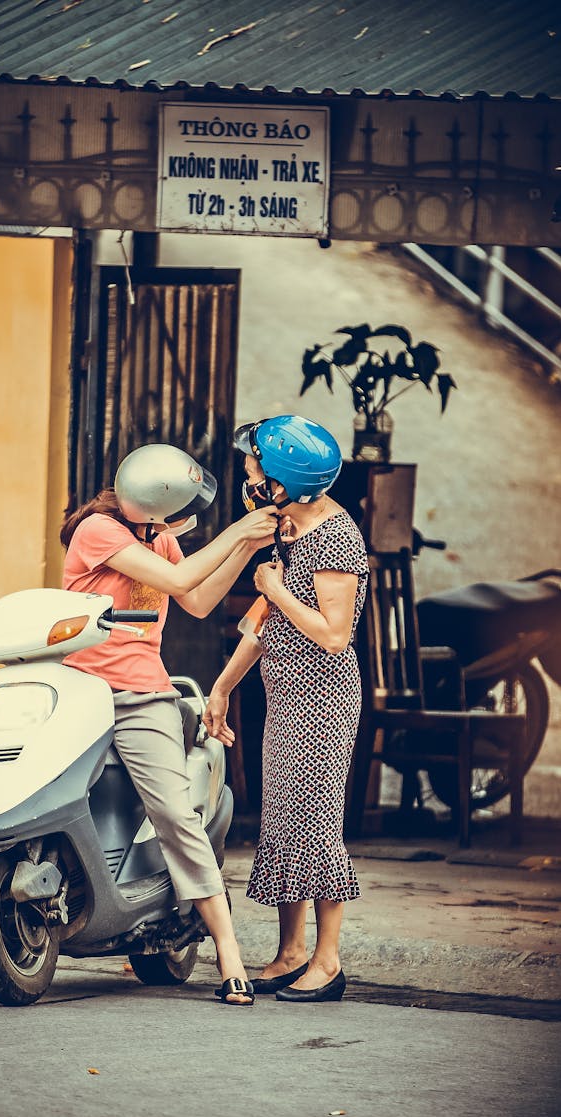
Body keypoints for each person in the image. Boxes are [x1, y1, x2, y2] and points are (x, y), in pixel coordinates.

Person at [0, 445, 277, 1001]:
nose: (176, 519)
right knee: (12, 791)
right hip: (78, 691)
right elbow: (182, 575)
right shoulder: (97, 530)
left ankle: (228, 952)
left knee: (172, 810)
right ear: (159, 498)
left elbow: (195, 598)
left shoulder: (158, 538)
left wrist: (248, 547)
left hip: (143, 697)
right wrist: (240, 530)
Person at [203, 415, 369, 1003]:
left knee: (315, 826)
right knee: (285, 822)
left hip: (323, 701)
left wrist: (273, 590)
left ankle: (327, 962)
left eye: (255, 466)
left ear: (284, 479)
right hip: (285, 700)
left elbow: (333, 634)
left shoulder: (334, 537)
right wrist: (222, 687)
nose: (248, 472)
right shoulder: (287, 529)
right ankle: (291, 952)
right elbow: (260, 626)